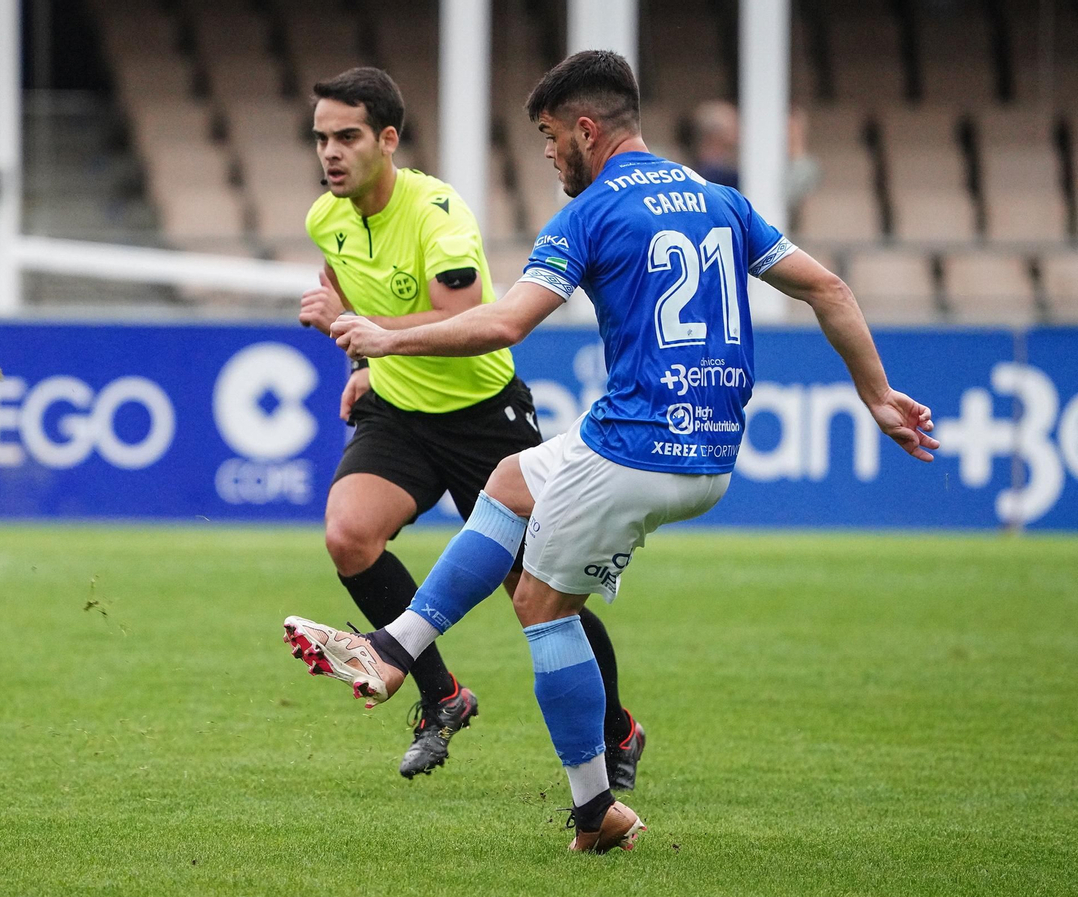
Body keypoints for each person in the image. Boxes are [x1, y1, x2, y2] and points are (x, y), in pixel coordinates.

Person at [284, 50, 938, 852]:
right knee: (512, 480)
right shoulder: (719, 198)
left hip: (635, 447)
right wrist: (876, 396)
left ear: (586, 130)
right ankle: (406, 658)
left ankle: (574, 793)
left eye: (551, 137)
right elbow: (829, 287)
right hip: (711, 454)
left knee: (540, 606)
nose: (549, 154)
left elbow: (502, 324)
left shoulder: (589, 213)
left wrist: (387, 340)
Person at [296, 66, 647, 783]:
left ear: (388, 139)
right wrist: (358, 367)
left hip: (484, 418)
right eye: (321, 138)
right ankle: (441, 696)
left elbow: (464, 322)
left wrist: (369, 335)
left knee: (539, 594)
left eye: (348, 136)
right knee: (348, 535)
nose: (331, 152)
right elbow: (347, 305)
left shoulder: (437, 213)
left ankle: (619, 729)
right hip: (397, 409)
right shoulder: (323, 219)